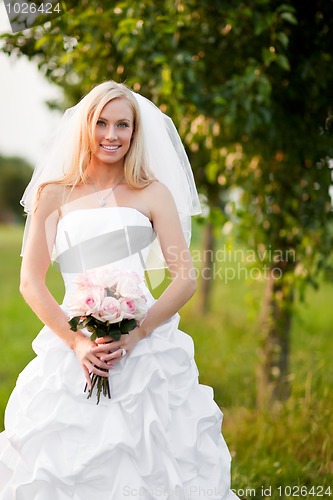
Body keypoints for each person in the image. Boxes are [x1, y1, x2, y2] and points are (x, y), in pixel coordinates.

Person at [0, 81, 239, 500]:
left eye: (123, 125)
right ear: (86, 126)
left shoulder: (153, 193)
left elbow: (184, 277)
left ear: (134, 131)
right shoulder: (53, 193)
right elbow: (30, 281)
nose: (112, 135)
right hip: (74, 342)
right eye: (102, 123)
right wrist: (76, 342)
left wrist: (138, 332)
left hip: (145, 343)